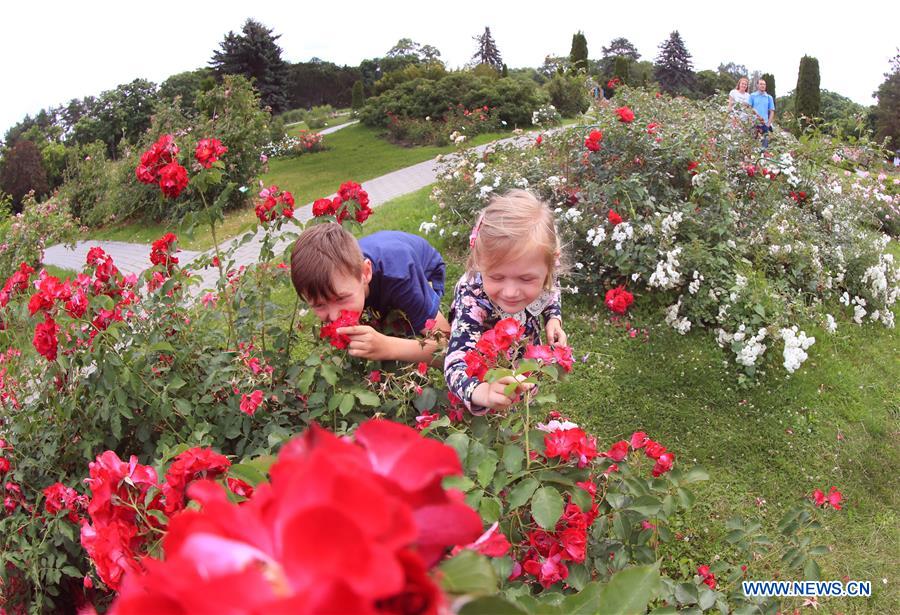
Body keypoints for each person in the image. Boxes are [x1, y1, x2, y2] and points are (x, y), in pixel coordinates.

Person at [444, 190, 567, 413]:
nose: (510, 292)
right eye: (496, 277)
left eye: (526, 279)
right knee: (495, 417)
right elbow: (455, 361)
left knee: (521, 404)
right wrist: (481, 391)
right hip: (485, 365)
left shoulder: (545, 275)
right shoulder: (473, 297)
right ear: (481, 264)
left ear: (549, 268)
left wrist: (553, 318)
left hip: (522, 347)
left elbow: (551, 291)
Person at [290, 224, 449, 364]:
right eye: (318, 305)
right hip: (383, 271)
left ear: (365, 273)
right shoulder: (345, 279)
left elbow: (446, 346)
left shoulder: (400, 277)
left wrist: (388, 347)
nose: (333, 316)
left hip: (425, 268)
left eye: (341, 298)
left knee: (409, 330)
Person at [749, 78, 776, 148]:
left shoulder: (769, 97)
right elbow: (748, 108)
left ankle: (763, 158)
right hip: (754, 124)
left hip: (765, 125)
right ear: (757, 85)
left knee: (764, 147)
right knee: (752, 145)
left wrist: (768, 124)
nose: (763, 86)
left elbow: (772, 111)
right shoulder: (752, 96)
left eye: (764, 84)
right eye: (761, 84)